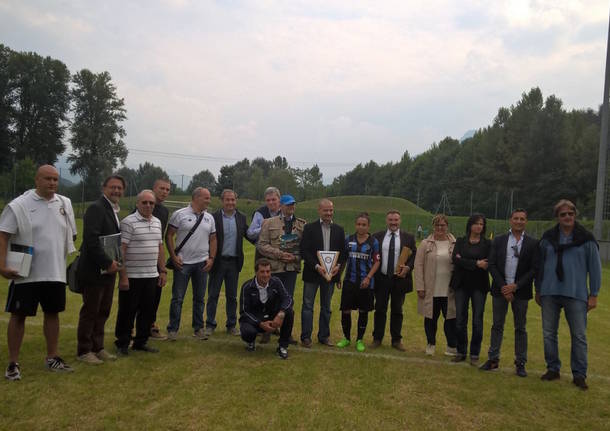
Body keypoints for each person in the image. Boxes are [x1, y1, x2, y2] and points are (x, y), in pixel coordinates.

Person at [0, 165, 77, 380]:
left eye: (55, 179)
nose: (52, 183)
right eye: (47, 179)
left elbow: (72, 235)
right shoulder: (19, 205)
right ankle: (13, 363)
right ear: (37, 180)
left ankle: (52, 357)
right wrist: (3, 266)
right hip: (25, 274)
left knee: (53, 314)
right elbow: (3, 235)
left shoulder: (65, 204)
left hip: (55, 273)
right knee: (18, 316)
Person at [537, 200, 601, 390]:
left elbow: (595, 269)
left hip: (576, 293)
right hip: (549, 292)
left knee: (579, 335)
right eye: (563, 214)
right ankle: (553, 368)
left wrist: (594, 294)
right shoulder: (548, 238)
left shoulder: (586, 239)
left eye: (570, 214)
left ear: (575, 215)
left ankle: (579, 374)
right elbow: (539, 266)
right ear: (557, 217)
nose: (567, 217)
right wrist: (538, 289)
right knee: (549, 334)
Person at [480, 208, 538, 377]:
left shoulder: (533, 243)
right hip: (500, 290)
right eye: (516, 218)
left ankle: (520, 362)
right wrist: (504, 287)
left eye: (522, 219)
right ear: (510, 220)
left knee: (520, 327)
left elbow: (534, 269)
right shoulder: (498, 240)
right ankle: (493, 359)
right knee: (497, 325)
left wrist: (516, 286)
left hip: (521, 291)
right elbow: (492, 264)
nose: (519, 221)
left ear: (526, 221)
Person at [76, 174, 125, 365]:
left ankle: (98, 347)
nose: (116, 191)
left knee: (103, 309)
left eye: (119, 188)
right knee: (91, 310)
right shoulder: (96, 208)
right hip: (94, 269)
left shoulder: (113, 209)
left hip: (108, 270)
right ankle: (84, 350)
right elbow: (91, 240)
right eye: (113, 187)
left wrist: (113, 264)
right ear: (104, 188)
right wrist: (107, 262)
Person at [114, 190, 167, 355]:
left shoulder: (157, 222)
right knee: (127, 311)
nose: (148, 206)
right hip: (132, 276)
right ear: (137, 204)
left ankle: (141, 341)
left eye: (151, 203)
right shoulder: (128, 222)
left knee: (147, 311)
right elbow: (121, 251)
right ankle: (122, 342)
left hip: (151, 275)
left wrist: (163, 270)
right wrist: (123, 276)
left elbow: (159, 247)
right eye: (144, 202)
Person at [166, 187, 217, 340]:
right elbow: (169, 235)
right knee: (177, 298)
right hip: (183, 264)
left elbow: (213, 238)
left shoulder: (210, 218)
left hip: (202, 263)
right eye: (206, 198)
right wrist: (173, 256)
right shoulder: (179, 215)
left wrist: (211, 258)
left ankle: (198, 328)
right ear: (196, 198)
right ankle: (173, 329)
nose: (209, 200)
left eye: (209, 198)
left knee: (200, 298)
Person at [257, 194, 306, 344]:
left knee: (288, 301)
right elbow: (262, 245)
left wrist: (295, 257)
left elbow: (305, 248)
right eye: (288, 204)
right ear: (281, 207)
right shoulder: (268, 223)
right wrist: (279, 254)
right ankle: (267, 331)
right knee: (269, 299)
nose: (291, 207)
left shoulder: (302, 225)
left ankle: (286, 333)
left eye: (293, 204)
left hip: (291, 269)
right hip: (274, 268)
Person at [299, 198, 346, 347]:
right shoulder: (309, 228)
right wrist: (316, 266)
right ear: (319, 210)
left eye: (331, 210)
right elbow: (304, 251)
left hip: (330, 276)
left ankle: (324, 336)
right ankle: (306, 337)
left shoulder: (339, 230)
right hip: (313, 273)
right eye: (326, 210)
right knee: (308, 306)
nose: (329, 213)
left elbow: (344, 253)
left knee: (327, 307)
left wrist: (338, 266)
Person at [206, 189, 251, 337]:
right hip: (218, 262)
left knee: (232, 296)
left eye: (233, 200)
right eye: (227, 200)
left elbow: (249, 235)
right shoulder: (214, 218)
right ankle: (210, 324)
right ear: (222, 201)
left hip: (234, 263)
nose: (230, 203)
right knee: (213, 295)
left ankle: (231, 325)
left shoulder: (242, 218)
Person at [371, 210, 416, 351]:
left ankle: (396, 340)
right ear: (386, 221)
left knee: (397, 310)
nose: (393, 223)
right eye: (390, 220)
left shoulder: (408, 237)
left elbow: (414, 256)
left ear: (400, 221)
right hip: (382, 278)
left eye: (396, 220)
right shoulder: (377, 236)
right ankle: (377, 338)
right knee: (379, 309)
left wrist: (408, 267)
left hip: (399, 279)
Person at [336, 213, 380, 352]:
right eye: (359, 224)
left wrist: (368, 277)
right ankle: (346, 338)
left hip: (365, 283)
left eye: (364, 225)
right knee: (346, 310)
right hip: (350, 281)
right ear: (355, 225)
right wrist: (339, 277)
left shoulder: (373, 242)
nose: (361, 227)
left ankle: (360, 339)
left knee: (363, 311)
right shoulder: (348, 239)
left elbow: (377, 261)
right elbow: (343, 260)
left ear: (368, 226)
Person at [414, 214, 457, 357]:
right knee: (430, 318)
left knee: (450, 318)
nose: (440, 228)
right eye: (437, 225)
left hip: (449, 289)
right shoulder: (425, 244)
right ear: (433, 227)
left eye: (443, 225)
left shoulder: (455, 243)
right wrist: (420, 286)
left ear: (447, 226)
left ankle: (451, 346)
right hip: (431, 288)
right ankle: (430, 343)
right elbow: (418, 266)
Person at [451, 213, 491, 364]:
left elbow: (487, 263)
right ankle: (461, 351)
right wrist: (475, 264)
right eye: (476, 223)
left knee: (477, 321)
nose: (479, 226)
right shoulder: (461, 241)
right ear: (470, 225)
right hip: (461, 285)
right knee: (460, 320)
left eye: (481, 224)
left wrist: (465, 261)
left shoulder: (487, 244)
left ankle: (474, 353)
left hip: (479, 286)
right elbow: (455, 259)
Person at [239, 259, 294, 359]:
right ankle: (250, 342)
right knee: (247, 331)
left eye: (268, 271)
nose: (266, 275)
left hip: (272, 317)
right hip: (256, 319)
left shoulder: (276, 282)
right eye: (262, 272)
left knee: (289, 312)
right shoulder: (247, 287)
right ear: (256, 272)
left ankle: (282, 346)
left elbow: (288, 299)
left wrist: (281, 314)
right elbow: (244, 311)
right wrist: (260, 323)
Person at [149, 178, 171, 339]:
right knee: (137, 296)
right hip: (140, 259)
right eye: (161, 188)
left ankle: (151, 324)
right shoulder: (143, 204)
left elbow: (160, 240)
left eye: (167, 189)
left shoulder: (163, 212)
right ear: (154, 188)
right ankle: (131, 330)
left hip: (156, 257)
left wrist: (162, 267)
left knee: (155, 294)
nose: (164, 192)